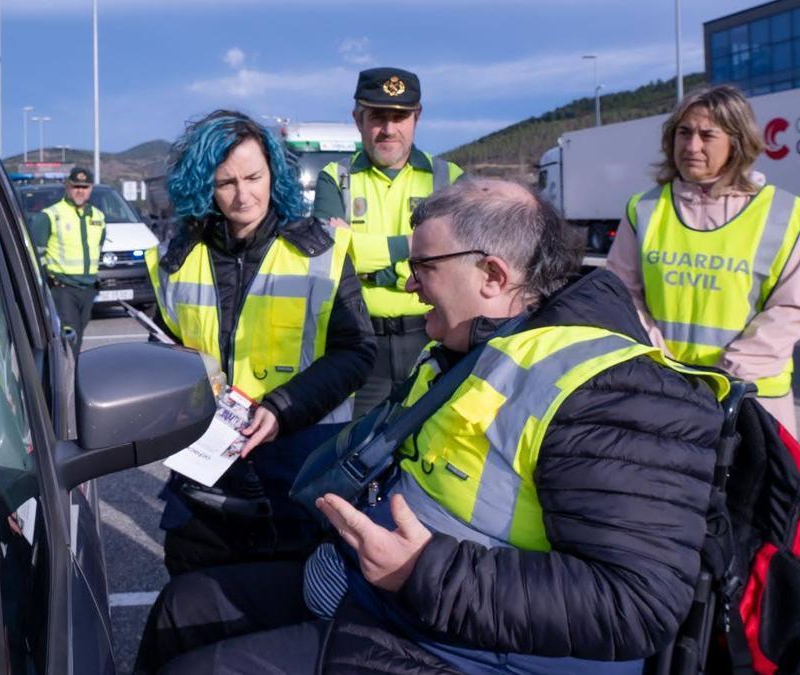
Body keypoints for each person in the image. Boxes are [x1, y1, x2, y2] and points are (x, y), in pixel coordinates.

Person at [136, 179, 729, 674]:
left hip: (463, 646)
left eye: (423, 267)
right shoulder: (466, 346)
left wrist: (422, 572)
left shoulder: (610, 391)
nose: (407, 284)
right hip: (382, 599)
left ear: (493, 276)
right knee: (181, 606)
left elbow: (635, 605)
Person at [145, 110, 375, 575]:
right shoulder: (176, 259)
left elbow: (357, 352)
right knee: (194, 603)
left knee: (289, 611)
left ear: (274, 174)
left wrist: (284, 406)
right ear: (204, 184)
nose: (242, 195)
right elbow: (160, 344)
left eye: (253, 177)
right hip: (205, 468)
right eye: (226, 182)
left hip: (298, 462)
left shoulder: (321, 252)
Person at [607, 84, 800, 436]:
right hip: (665, 391)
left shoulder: (784, 214)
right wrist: (661, 360)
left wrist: (728, 374)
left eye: (707, 135)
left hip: (751, 398)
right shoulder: (644, 209)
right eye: (683, 133)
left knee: (754, 491)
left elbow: (790, 310)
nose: (691, 146)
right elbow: (621, 293)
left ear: (736, 142)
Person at [311, 67, 465, 417]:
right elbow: (328, 257)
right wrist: (413, 251)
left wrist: (367, 263)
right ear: (358, 119)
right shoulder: (335, 178)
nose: (389, 129)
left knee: (427, 444)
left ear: (417, 117)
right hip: (358, 342)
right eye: (378, 117)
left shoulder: (449, 178)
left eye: (400, 117)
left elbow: (456, 259)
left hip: (432, 338)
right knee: (356, 449)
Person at [30, 166, 106, 357]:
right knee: (68, 340)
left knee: (77, 340)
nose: (80, 190)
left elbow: (98, 247)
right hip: (63, 288)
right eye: (76, 186)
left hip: (88, 288)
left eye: (85, 187)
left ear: (91, 189)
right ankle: (66, 383)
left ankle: (70, 379)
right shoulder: (51, 215)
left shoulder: (98, 217)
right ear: (67, 187)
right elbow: (35, 254)